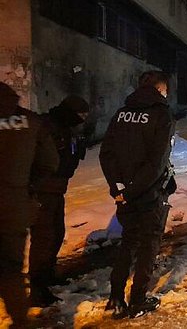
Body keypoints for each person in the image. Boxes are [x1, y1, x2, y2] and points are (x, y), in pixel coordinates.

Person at [99, 71, 176, 319]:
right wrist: (135, 190)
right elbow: (157, 162)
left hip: (125, 195)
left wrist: (119, 189)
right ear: (160, 89)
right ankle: (138, 301)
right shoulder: (161, 115)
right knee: (148, 246)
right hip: (150, 193)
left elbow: (106, 154)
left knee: (128, 242)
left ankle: (116, 297)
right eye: (166, 90)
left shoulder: (121, 114)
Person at [0, 82, 59, 328]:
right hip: (14, 205)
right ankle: (20, 319)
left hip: (16, 202)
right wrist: (26, 186)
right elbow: (50, 162)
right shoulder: (31, 122)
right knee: (11, 268)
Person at [29, 95, 90, 307]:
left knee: (57, 233)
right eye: (81, 115)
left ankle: (47, 274)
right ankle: (37, 287)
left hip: (56, 190)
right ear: (70, 112)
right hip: (43, 191)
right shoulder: (49, 127)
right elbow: (41, 161)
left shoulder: (65, 128)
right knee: (43, 237)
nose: (82, 119)